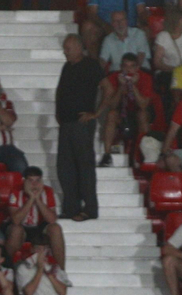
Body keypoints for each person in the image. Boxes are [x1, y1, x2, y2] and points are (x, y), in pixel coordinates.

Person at [55, 34, 103, 222]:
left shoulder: (91, 65)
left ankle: (90, 209)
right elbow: (61, 90)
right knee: (64, 168)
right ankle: (71, 207)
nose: (65, 52)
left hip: (82, 123)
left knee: (85, 167)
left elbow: (107, 87)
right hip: (66, 124)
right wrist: (57, 111)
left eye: (67, 48)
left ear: (77, 47)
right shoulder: (67, 67)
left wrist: (96, 113)